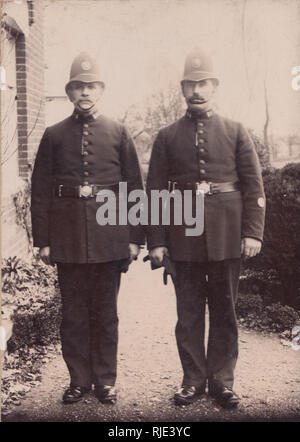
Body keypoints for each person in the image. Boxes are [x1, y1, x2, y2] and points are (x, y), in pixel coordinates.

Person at [146, 48, 265, 409]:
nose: (197, 90)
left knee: (225, 310)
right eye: (191, 84)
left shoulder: (236, 131)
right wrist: (157, 242)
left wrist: (252, 232)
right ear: (182, 89)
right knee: (189, 314)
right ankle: (193, 379)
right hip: (183, 238)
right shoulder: (166, 137)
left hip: (228, 234)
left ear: (214, 86)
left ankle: (223, 382)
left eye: (204, 83)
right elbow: (154, 193)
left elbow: (253, 186)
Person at [31, 52, 144, 404]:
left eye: (91, 86)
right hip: (66, 240)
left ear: (101, 90)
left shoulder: (118, 132)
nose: (85, 93)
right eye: (78, 87)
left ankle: (106, 380)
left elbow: (134, 188)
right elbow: (40, 190)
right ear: (69, 93)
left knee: (107, 313)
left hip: (110, 238)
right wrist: (44, 241)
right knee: (73, 314)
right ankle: (78, 379)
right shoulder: (53, 135)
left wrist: (135, 238)